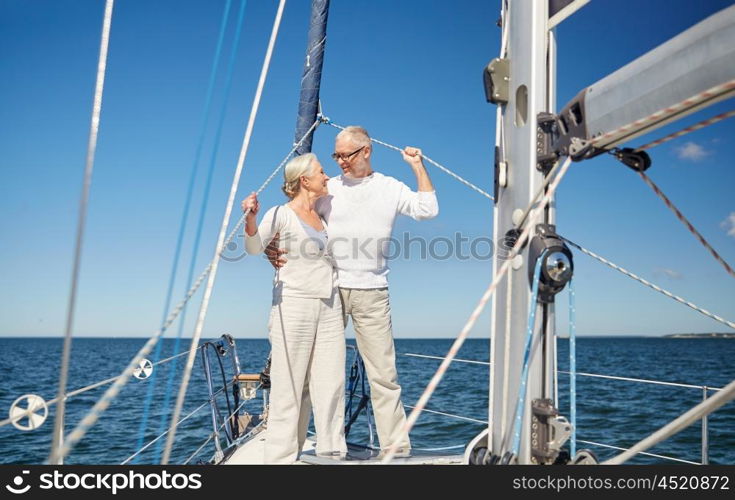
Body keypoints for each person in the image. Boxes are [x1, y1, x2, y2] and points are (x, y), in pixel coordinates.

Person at [271, 126, 438, 457]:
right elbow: (292, 219)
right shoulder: (328, 188)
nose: (340, 162)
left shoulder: (389, 187)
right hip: (329, 291)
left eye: (345, 155)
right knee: (310, 375)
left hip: (373, 293)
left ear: (366, 151)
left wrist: (417, 166)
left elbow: (427, 209)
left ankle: (396, 450)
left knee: (384, 378)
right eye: (336, 155)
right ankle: (296, 447)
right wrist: (270, 247)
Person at [241, 153, 346, 464]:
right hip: (293, 305)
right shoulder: (281, 213)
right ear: (305, 180)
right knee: (288, 385)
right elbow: (254, 247)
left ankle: (331, 451)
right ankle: (281, 459)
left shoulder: (325, 217)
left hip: (329, 305)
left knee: (331, 384)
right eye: (322, 172)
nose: (326, 177)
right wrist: (250, 217)